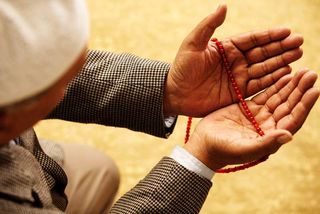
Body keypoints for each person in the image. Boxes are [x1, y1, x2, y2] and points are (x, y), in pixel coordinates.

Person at [0, 1, 318, 214]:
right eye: (59, 81)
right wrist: (199, 157)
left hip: (29, 162)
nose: (72, 76)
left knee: (99, 169)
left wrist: (169, 89)